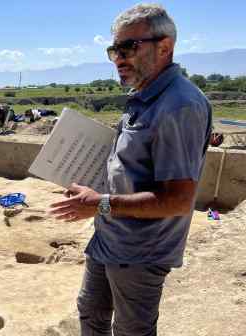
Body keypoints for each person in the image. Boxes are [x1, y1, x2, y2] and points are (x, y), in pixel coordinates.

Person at [48, 4, 212, 336]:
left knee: (131, 330)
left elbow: (178, 200)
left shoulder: (179, 105)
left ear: (165, 47)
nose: (119, 58)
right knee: (90, 312)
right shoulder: (143, 96)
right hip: (109, 237)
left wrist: (100, 203)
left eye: (129, 47)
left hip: (140, 252)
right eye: (114, 50)